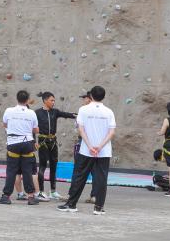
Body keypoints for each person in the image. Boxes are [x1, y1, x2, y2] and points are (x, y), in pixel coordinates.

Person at [59, 85, 116, 215]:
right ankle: (98, 207)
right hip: (103, 151)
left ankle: (71, 204)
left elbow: (81, 129)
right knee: (101, 178)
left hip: (86, 150)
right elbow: (112, 132)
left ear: (91, 96)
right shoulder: (109, 112)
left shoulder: (83, 110)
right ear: (103, 96)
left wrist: (90, 146)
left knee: (80, 176)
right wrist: (100, 146)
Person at [0, 90, 39, 206]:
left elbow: (5, 124)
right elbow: (36, 130)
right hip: (27, 143)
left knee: (11, 171)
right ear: (27, 100)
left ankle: (6, 196)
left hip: (13, 143)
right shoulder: (31, 113)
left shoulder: (8, 111)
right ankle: (31, 197)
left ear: (17, 98)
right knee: (27, 171)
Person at [34, 92, 75, 200]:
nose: (53, 102)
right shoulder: (37, 113)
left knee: (54, 166)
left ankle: (53, 191)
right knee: (42, 166)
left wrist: (78, 115)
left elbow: (66, 114)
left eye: (54, 100)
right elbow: (32, 127)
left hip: (53, 142)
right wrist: (33, 141)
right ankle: (41, 191)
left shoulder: (55, 112)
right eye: (51, 100)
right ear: (45, 100)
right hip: (43, 142)